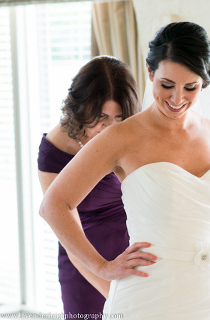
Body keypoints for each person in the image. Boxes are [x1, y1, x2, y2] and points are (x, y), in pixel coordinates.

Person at [40, 22, 210, 320]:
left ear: (205, 81)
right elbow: (54, 204)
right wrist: (101, 266)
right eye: (167, 85)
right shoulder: (121, 138)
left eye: (190, 87)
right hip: (148, 298)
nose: (177, 99)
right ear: (149, 72)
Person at [37, 55, 139, 318]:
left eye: (118, 117)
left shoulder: (130, 133)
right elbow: (67, 234)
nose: (109, 128)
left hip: (134, 249)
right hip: (84, 260)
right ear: (80, 108)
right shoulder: (54, 152)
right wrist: (111, 291)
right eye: (100, 117)